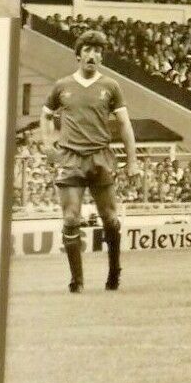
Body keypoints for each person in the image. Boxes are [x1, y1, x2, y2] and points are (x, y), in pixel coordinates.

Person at [39, 29, 139, 292]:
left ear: (102, 58)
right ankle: (77, 281)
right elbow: (46, 115)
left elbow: (125, 125)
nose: (92, 55)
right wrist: (48, 143)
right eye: (87, 50)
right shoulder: (62, 86)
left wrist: (132, 161)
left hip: (100, 156)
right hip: (71, 158)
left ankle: (114, 271)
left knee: (109, 218)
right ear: (78, 55)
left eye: (97, 51)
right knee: (71, 219)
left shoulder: (110, 87)